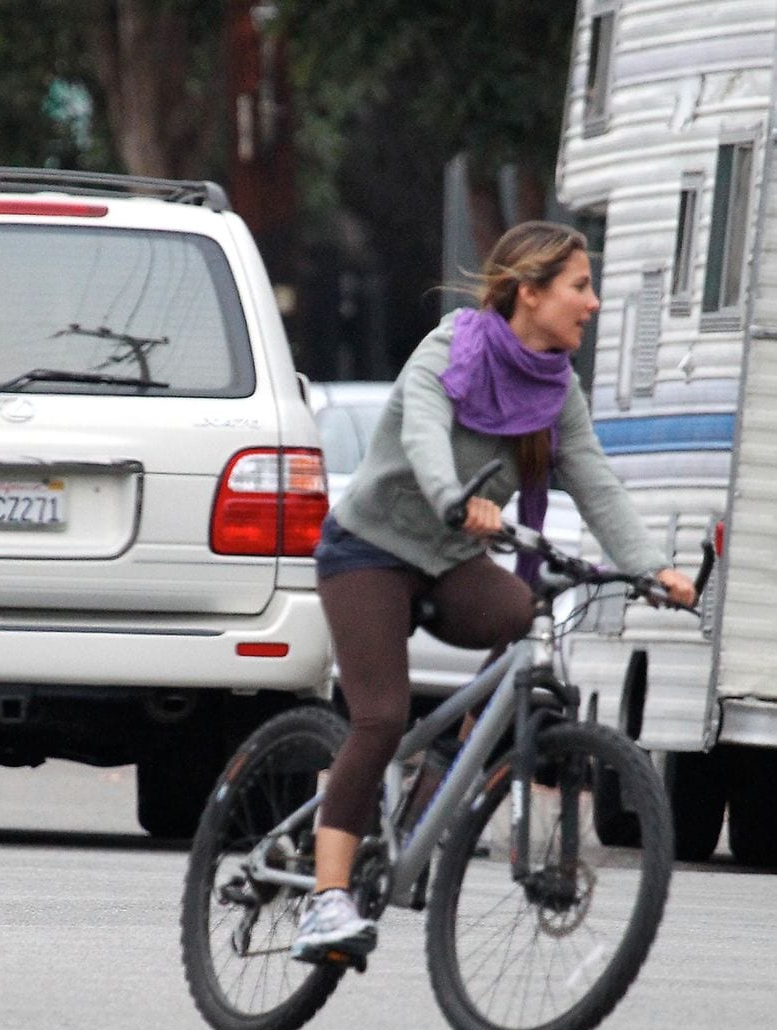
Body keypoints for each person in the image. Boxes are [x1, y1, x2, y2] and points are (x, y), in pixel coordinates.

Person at [292, 220, 696, 961]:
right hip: (369, 549)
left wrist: (649, 567)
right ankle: (325, 900)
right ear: (530, 293)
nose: (595, 302)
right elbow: (422, 430)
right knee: (379, 718)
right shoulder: (454, 347)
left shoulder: (556, 391)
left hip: (447, 558)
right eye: (580, 286)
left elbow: (596, 482)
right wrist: (453, 497)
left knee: (521, 616)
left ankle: (438, 775)